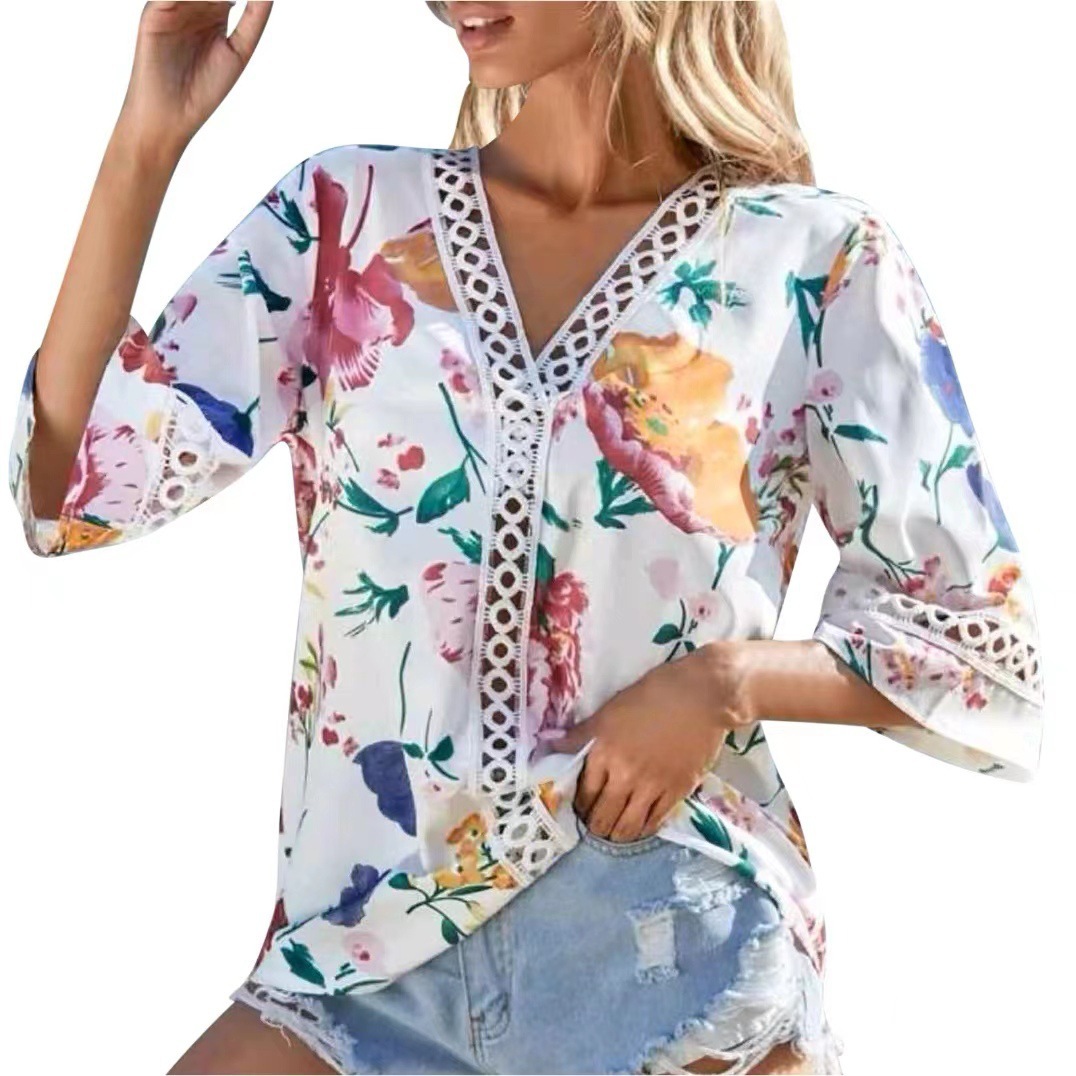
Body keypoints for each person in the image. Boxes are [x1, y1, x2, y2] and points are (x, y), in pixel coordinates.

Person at [7, 1, 1045, 1073]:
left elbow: (978, 641)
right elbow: (75, 485)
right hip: (367, 948)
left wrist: (723, 683)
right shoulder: (344, 218)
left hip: (661, 941)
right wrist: (146, 143)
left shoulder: (814, 258)